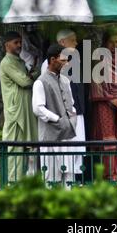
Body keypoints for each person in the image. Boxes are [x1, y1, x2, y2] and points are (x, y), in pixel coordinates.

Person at [41, 29, 86, 183]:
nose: (76, 43)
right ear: (62, 43)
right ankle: (57, 182)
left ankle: (72, 180)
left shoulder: (75, 61)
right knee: (61, 151)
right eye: (73, 40)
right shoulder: (49, 65)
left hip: (75, 112)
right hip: (59, 116)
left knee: (76, 147)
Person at [90, 29, 117, 182]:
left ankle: (115, 175)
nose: (115, 45)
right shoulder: (99, 58)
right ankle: (106, 177)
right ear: (105, 42)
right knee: (108, 141)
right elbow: (96, 84)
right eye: (111, 42)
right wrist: (111, 99)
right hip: (104, 104)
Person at [33, 44, 77, 188]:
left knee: (68, 174)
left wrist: (72, 120)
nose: (66, 63)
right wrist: (57, 119)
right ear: (53, 60)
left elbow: (71, 104)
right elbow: (38, 108)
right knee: (51, 176)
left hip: (67, 135)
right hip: (50, 137)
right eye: (63, 60)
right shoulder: (40, 82)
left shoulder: (65, 80)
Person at [0, 31, 39, 184]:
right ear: (6, 45)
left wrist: (31, 75)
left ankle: (29, 181)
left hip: (27, 109)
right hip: (15, 113)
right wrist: (34, 75)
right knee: (15, 148)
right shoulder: (6, 62)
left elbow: (27, 78)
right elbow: (25, 82)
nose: (19, 45)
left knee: (31, 146)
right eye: (16, 42)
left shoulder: (19, 61)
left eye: (20, 42)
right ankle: (12, 183)